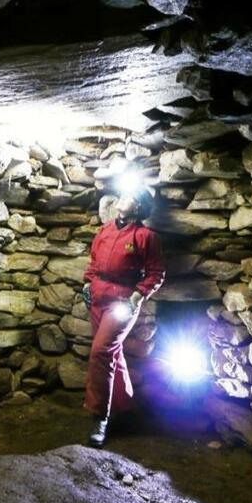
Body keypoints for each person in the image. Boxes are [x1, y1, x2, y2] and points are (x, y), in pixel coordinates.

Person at [81, 185, 165, 447]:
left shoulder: (145, 236)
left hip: (122, 302)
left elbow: (156, 273)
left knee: (101, 352)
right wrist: (87, 284)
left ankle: (99, 417)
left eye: (129, 196)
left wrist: (136, 298)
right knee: (111, 354)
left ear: (138, 206)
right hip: (98, 297)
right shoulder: (105, 230)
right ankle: (123, 403)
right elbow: (94, 263)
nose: (122, 198)